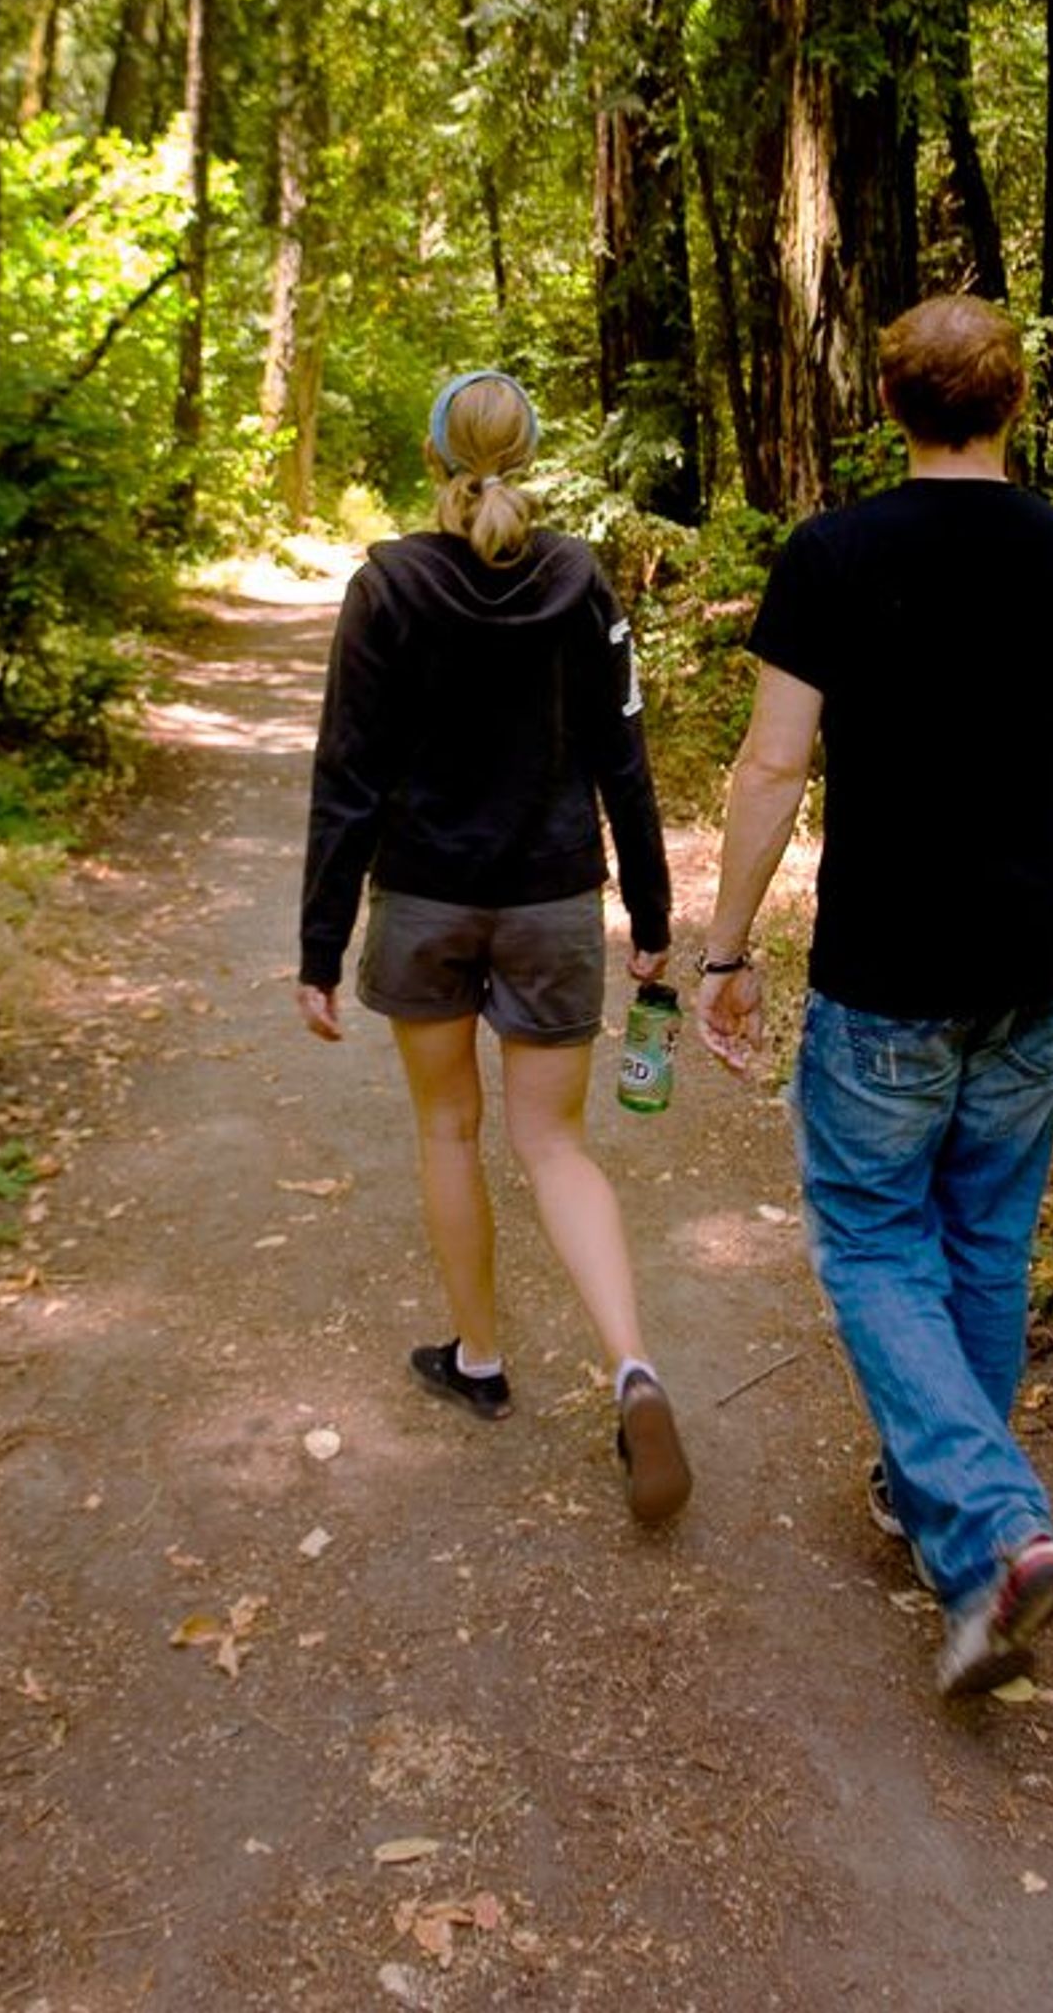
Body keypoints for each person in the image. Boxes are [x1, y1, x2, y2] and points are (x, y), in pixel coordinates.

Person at [696, 296, 1053, 1695]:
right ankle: (935, 1499)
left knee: (875, 1247)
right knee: (984, 1241)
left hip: (885, 980)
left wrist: (724, 953)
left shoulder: (833, 556)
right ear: (1012, 403)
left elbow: (772, 769)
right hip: (1028, 973)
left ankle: (992, 1528)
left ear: (891, 404)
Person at [297, 369, 692, 1526]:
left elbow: (348, 776)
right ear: (532, 455)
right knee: (556, 1145)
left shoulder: (387, 585)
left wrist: (321, 947)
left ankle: (478, 1356)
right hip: (552, 902)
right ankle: (633, 1368)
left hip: (423, 899)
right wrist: (655, 920)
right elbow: (626, 758)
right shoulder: (580, 580)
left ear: (437, 458)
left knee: (448, 1128)